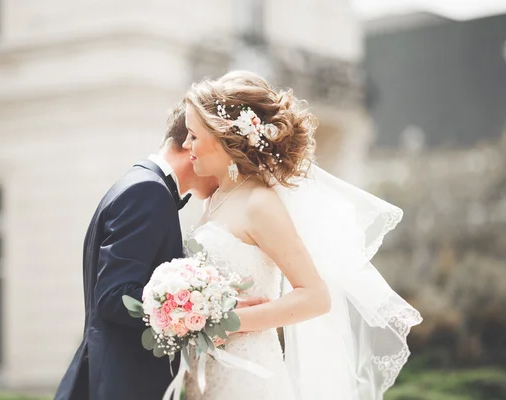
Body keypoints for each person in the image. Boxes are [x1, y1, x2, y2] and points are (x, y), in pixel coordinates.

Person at [181, 71, 422, 399]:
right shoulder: (216, 198)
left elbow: (315, 296)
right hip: (209, 374)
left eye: (193, 135)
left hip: (248, 377)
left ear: (222, 135)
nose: (185, 145)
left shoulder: (259, 203)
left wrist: (230, 321)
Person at [54, 101, 220, 400]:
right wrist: (200, 313)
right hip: (124, 384)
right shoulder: (148, 191)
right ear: (191, 144)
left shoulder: (144, 185)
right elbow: (115, 296)